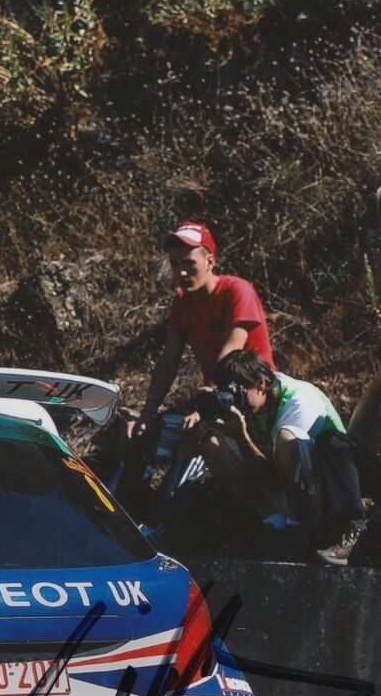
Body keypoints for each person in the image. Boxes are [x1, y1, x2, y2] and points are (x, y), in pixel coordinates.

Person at [198, 349, 365, 564]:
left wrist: (242, 438)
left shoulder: (299, 401)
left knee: (286, 439)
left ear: (261, 384)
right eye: (225, 391)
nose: (232, 399)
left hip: (319, 493)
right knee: (211, 442)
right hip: (280, 487)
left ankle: (297, 529)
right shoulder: (248, 405)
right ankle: (275, 524)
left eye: (237, 390)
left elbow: (274, 475)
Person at [135, 222, 274, 440]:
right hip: (215, 398)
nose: (181, 271)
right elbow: (169, 361)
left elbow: (229, 355)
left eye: (190, 263)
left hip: (253, 396)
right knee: (149, 435)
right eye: (175, 263)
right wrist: (147, 413)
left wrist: (203, 409)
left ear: (210, 262)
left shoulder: (236, 291)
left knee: (196, 437)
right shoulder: (182, 302)